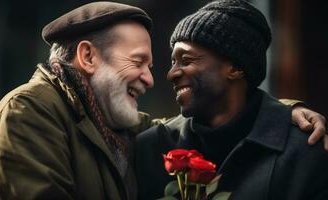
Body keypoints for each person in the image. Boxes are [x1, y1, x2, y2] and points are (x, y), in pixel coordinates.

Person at [0, 1, 326, 200]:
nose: (154, 78)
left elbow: (210, 124)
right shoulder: (28, 115)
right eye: (138, 62)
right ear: (89, 57)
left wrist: (288, 112)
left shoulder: (109, 122)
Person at [136, 0, 328, 199]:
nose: (172, 74)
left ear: (236, 69)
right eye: (173, 62)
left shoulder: (305, 152)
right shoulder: (151, 147)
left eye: (187, 60)